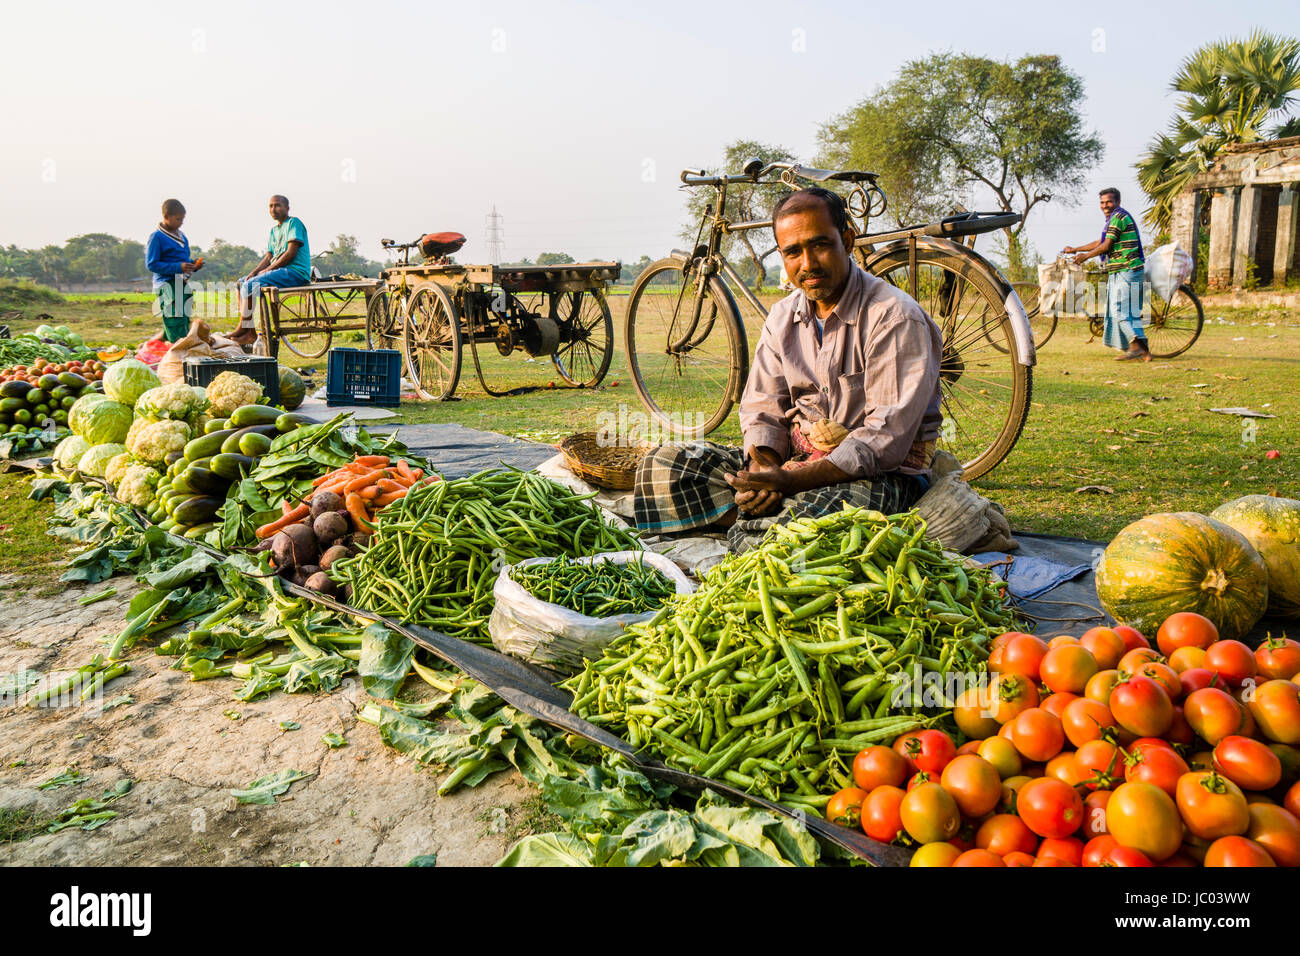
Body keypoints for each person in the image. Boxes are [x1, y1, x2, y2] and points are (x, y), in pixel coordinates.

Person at [633, 187, 942, 552]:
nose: (807, 263)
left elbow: (883, 442)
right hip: (793, 463)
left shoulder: (893, 316)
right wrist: (766, 469)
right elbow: (763, 406)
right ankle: (769, 518)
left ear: (847, 241)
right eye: (793, 252)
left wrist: (791, 483)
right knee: (664, 464)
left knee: (823, 521)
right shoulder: (783, 317)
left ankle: (764, 522)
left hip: (875, 477)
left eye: (820, 245)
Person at [1063, 187, 1149, 361]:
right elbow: (1100, 241)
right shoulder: (1113, 219)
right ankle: (1145, 352)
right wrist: (1075, 249)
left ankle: (1135, 347)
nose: (1105, 206)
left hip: (1128, 268)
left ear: (1117, 202)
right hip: (1123, 269)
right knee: (1129, 313)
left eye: (1109, 202)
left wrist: (1084, 257)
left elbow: (1105, 246)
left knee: (1119, 311)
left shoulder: (1118, 217)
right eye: (1102, 202)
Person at [228, 194, 311, 346]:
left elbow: (290, 253)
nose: (274, 209)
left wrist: (267, 271)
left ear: (287, 208)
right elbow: (269, 256)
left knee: (251, 285)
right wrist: (254, 272)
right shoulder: (274, 231)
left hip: (295, 272)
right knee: (241, 283)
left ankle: (242, 327)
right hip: (279, 272)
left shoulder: (294, 223)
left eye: (278, 205)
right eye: (271, 206)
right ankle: (250, 332)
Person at [146, 199, 203, 343]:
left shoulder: (182, 236)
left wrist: (192, 265)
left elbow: (182, 259)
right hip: (167, 284)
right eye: (178, 219)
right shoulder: (157, 237)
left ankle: (150, 346)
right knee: (174, 319)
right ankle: (178, 351)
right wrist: (178, 267)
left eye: (182, 219)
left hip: (181, 282)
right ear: (166, 216)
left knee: (183, 319)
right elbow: (152, 264)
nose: (181, 222)